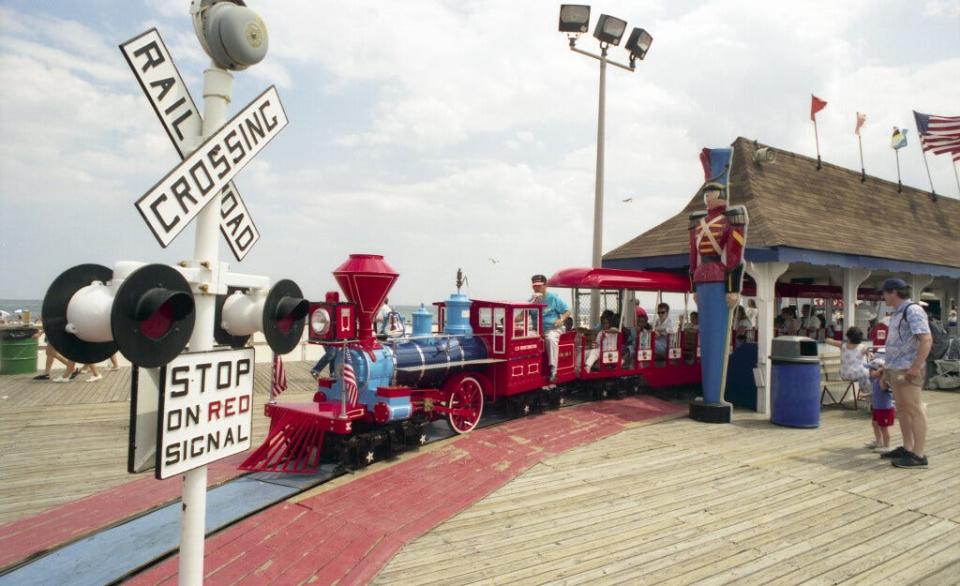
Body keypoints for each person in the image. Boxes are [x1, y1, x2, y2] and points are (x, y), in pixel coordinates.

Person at [877, 278, 932, 469]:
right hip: (896, 367)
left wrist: (915, 367)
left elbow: (926, 339)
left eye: (884, 292)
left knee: (914, 409)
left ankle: (919, 454)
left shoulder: (913, 310)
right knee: (901, 409)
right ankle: (908, 448)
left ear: (893, 292)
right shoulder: (897, 313)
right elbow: (896, 344)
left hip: (908, 368)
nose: (883, 296)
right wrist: (886, 369)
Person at [530, 274, 570, 383]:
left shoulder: (553, 298)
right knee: (525, 339)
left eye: (539, 285)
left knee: (551, 339)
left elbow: (567, 311)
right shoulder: (532, 300)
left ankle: (553, 370)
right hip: (537, 330)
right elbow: (522, 314)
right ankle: (533, 368)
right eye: (534, 286)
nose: (536, 288)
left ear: (545, 285)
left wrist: (561, 320)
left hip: (552, 329)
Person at [825, 327, 872, 397]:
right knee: (867, 372)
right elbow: (868, 351)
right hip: (857, 373)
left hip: (844, 374)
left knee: (867, 372)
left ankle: (867, 392)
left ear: (848, 337)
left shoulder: (842, 345)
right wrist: (869, 353)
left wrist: (830, 337)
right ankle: (867, 392)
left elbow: (827, 340)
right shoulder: (861, 347)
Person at [865, 358, 895, 451]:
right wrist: (866, 395)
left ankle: (887, 446)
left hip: (885, 408)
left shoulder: (884, 380)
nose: (869, 371)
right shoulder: (875, 380)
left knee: (883, 428)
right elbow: (875, 392)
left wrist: (882, 372)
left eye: (872, 369)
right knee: (875, 424)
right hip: (877, 407)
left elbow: (883, 388)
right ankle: (878, 442)